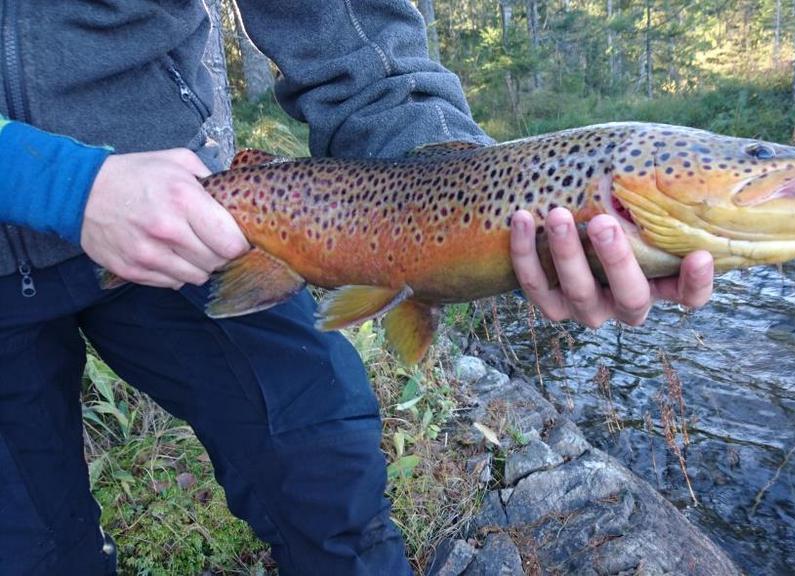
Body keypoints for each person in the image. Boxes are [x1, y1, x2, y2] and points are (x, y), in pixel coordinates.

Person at [0, 2, 714, 574]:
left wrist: (448, 190)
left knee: (329, 462)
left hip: (185, 208)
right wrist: (58, 183)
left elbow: (353, 34)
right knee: (27, 548)